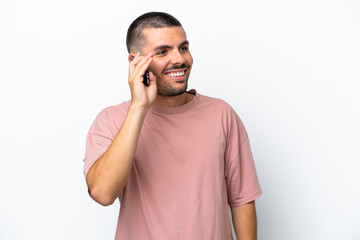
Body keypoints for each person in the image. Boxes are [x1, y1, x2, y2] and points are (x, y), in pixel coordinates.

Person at [83, 11, 262, 240]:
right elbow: (102, 193)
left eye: (183, 48)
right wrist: (139, 107)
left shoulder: (221, 114)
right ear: (135, 61)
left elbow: (242, 198)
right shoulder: (112, 120)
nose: (179, 59)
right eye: (162, 51)